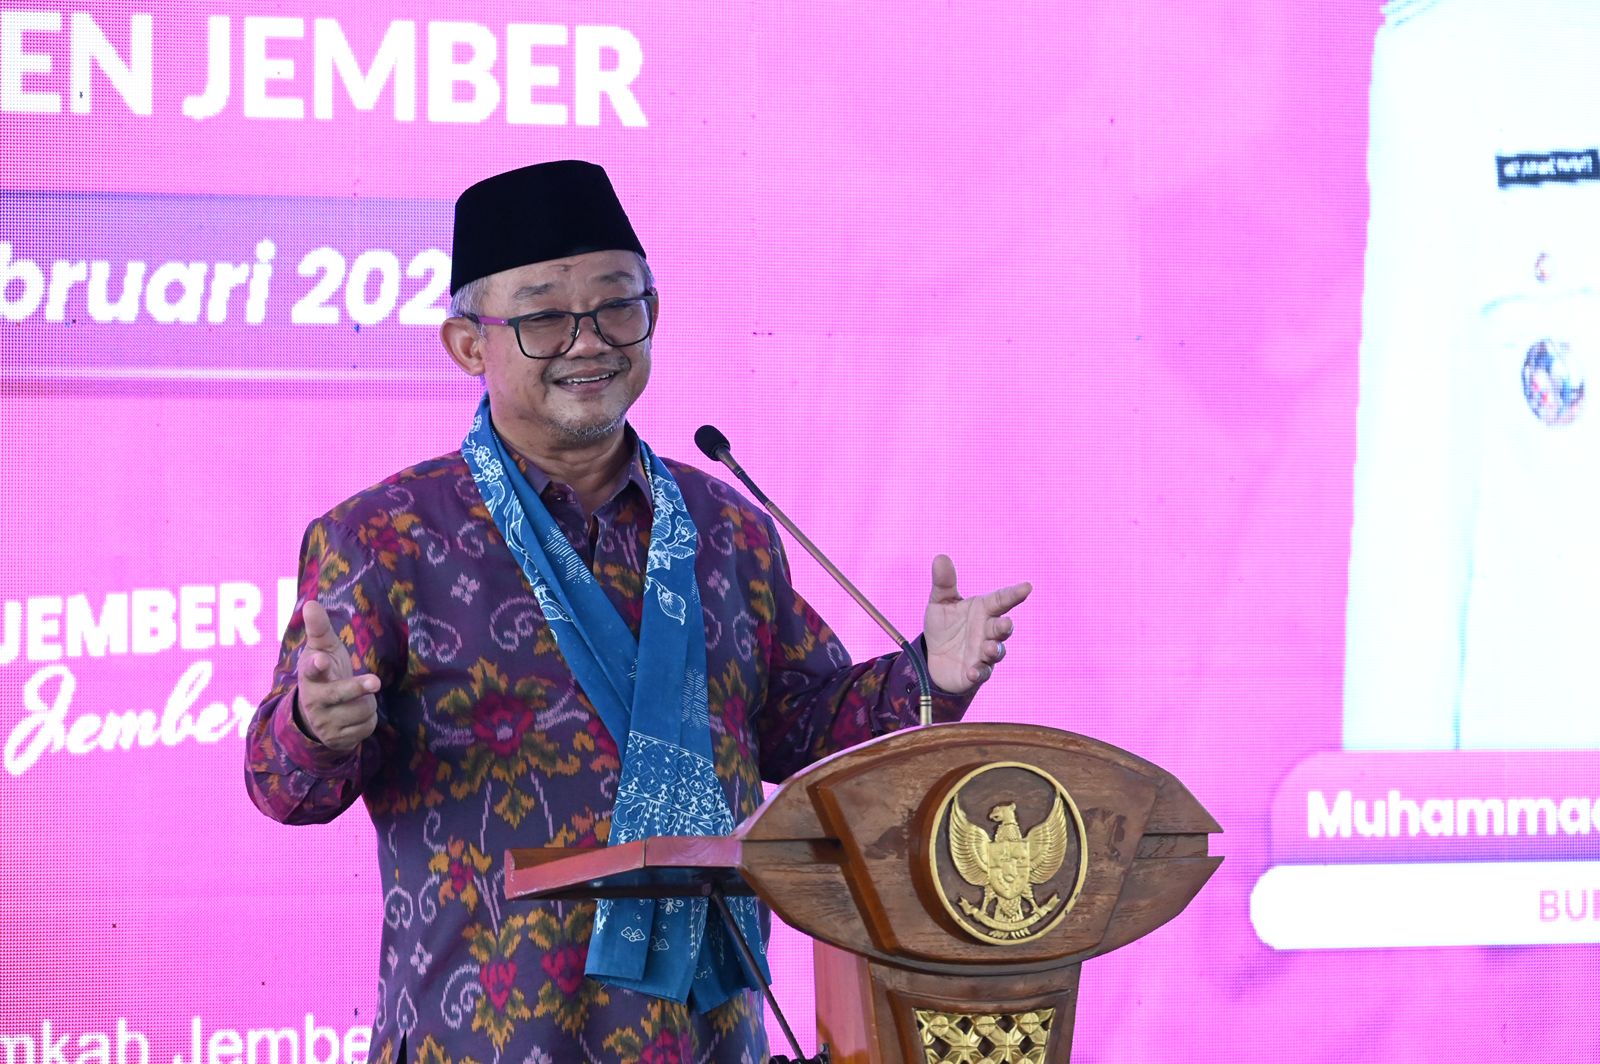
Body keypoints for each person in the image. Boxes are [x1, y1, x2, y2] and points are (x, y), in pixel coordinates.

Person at [245, 160, 1031, 1064]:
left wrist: (930, 673)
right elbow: (281, 786)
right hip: (488, 1036)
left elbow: (799, 729)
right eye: (544, 317)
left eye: (618, 306)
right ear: (467, 346)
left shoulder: (725, 525)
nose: (588, 342)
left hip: (709, 1038)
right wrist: (318, 727)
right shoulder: (387, 536)